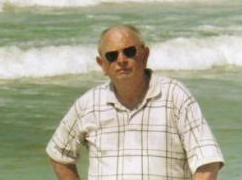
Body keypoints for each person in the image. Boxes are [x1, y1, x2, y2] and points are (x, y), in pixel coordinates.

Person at [46, 25, 224, 180]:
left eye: (129, 52)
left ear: (145, 55)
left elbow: (207, 161)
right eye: (112, 56)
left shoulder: (174, 96)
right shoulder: (88, 104)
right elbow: (58, 152)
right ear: (102, 65)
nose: (121, 60)